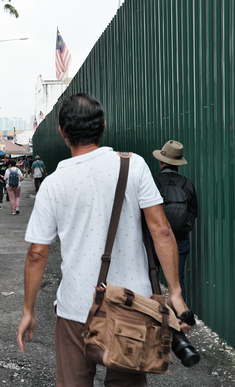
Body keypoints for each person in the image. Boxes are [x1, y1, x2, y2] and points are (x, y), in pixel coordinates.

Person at [17, 93, 192, 386]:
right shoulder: (133, 166)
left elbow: (37, 253)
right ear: (104, 127)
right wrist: (174, 292)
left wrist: (28, 310)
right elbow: (162, 230)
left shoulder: (53, 184)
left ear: (62, 132)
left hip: (75, 308)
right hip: (131, 306)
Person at [152, 140, 198, 301]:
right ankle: (179, 319)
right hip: (180, 238)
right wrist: (182, 227)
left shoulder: (153, 182)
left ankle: (155, 316)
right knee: (177, 280)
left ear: (161, 161)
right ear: (178, 163)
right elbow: (193, 212)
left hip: (155, 238)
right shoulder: (187, 184)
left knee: (152, 274)